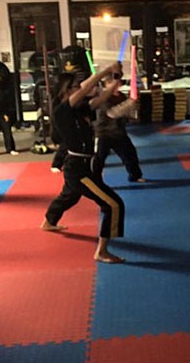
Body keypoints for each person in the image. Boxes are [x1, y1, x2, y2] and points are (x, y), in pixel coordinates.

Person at [41, 63, 126, 264]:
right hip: (78, 169)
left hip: (85, 165)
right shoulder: (62, 111)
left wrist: (115, 82)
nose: (80, 89)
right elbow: (88, 87)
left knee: (69, 196)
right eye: (75, 87)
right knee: (113, 204)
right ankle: (102, 251)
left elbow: (102, 97)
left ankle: (48, 221)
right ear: (66, 90)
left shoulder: (80, 110)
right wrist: (105, 71)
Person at [92, 69, 145, 183]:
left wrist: (133, 110)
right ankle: (94, 180)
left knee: (130, 154)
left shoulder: (121, 96)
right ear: (106, 85)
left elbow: (126, 111)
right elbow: (113, 113)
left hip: (119, 132)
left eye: (117, 82)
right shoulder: (104, 98)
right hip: (104, 133)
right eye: (112, 83)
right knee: (99, 159)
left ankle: (135, 176)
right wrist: (130, 103)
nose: (116, 84)